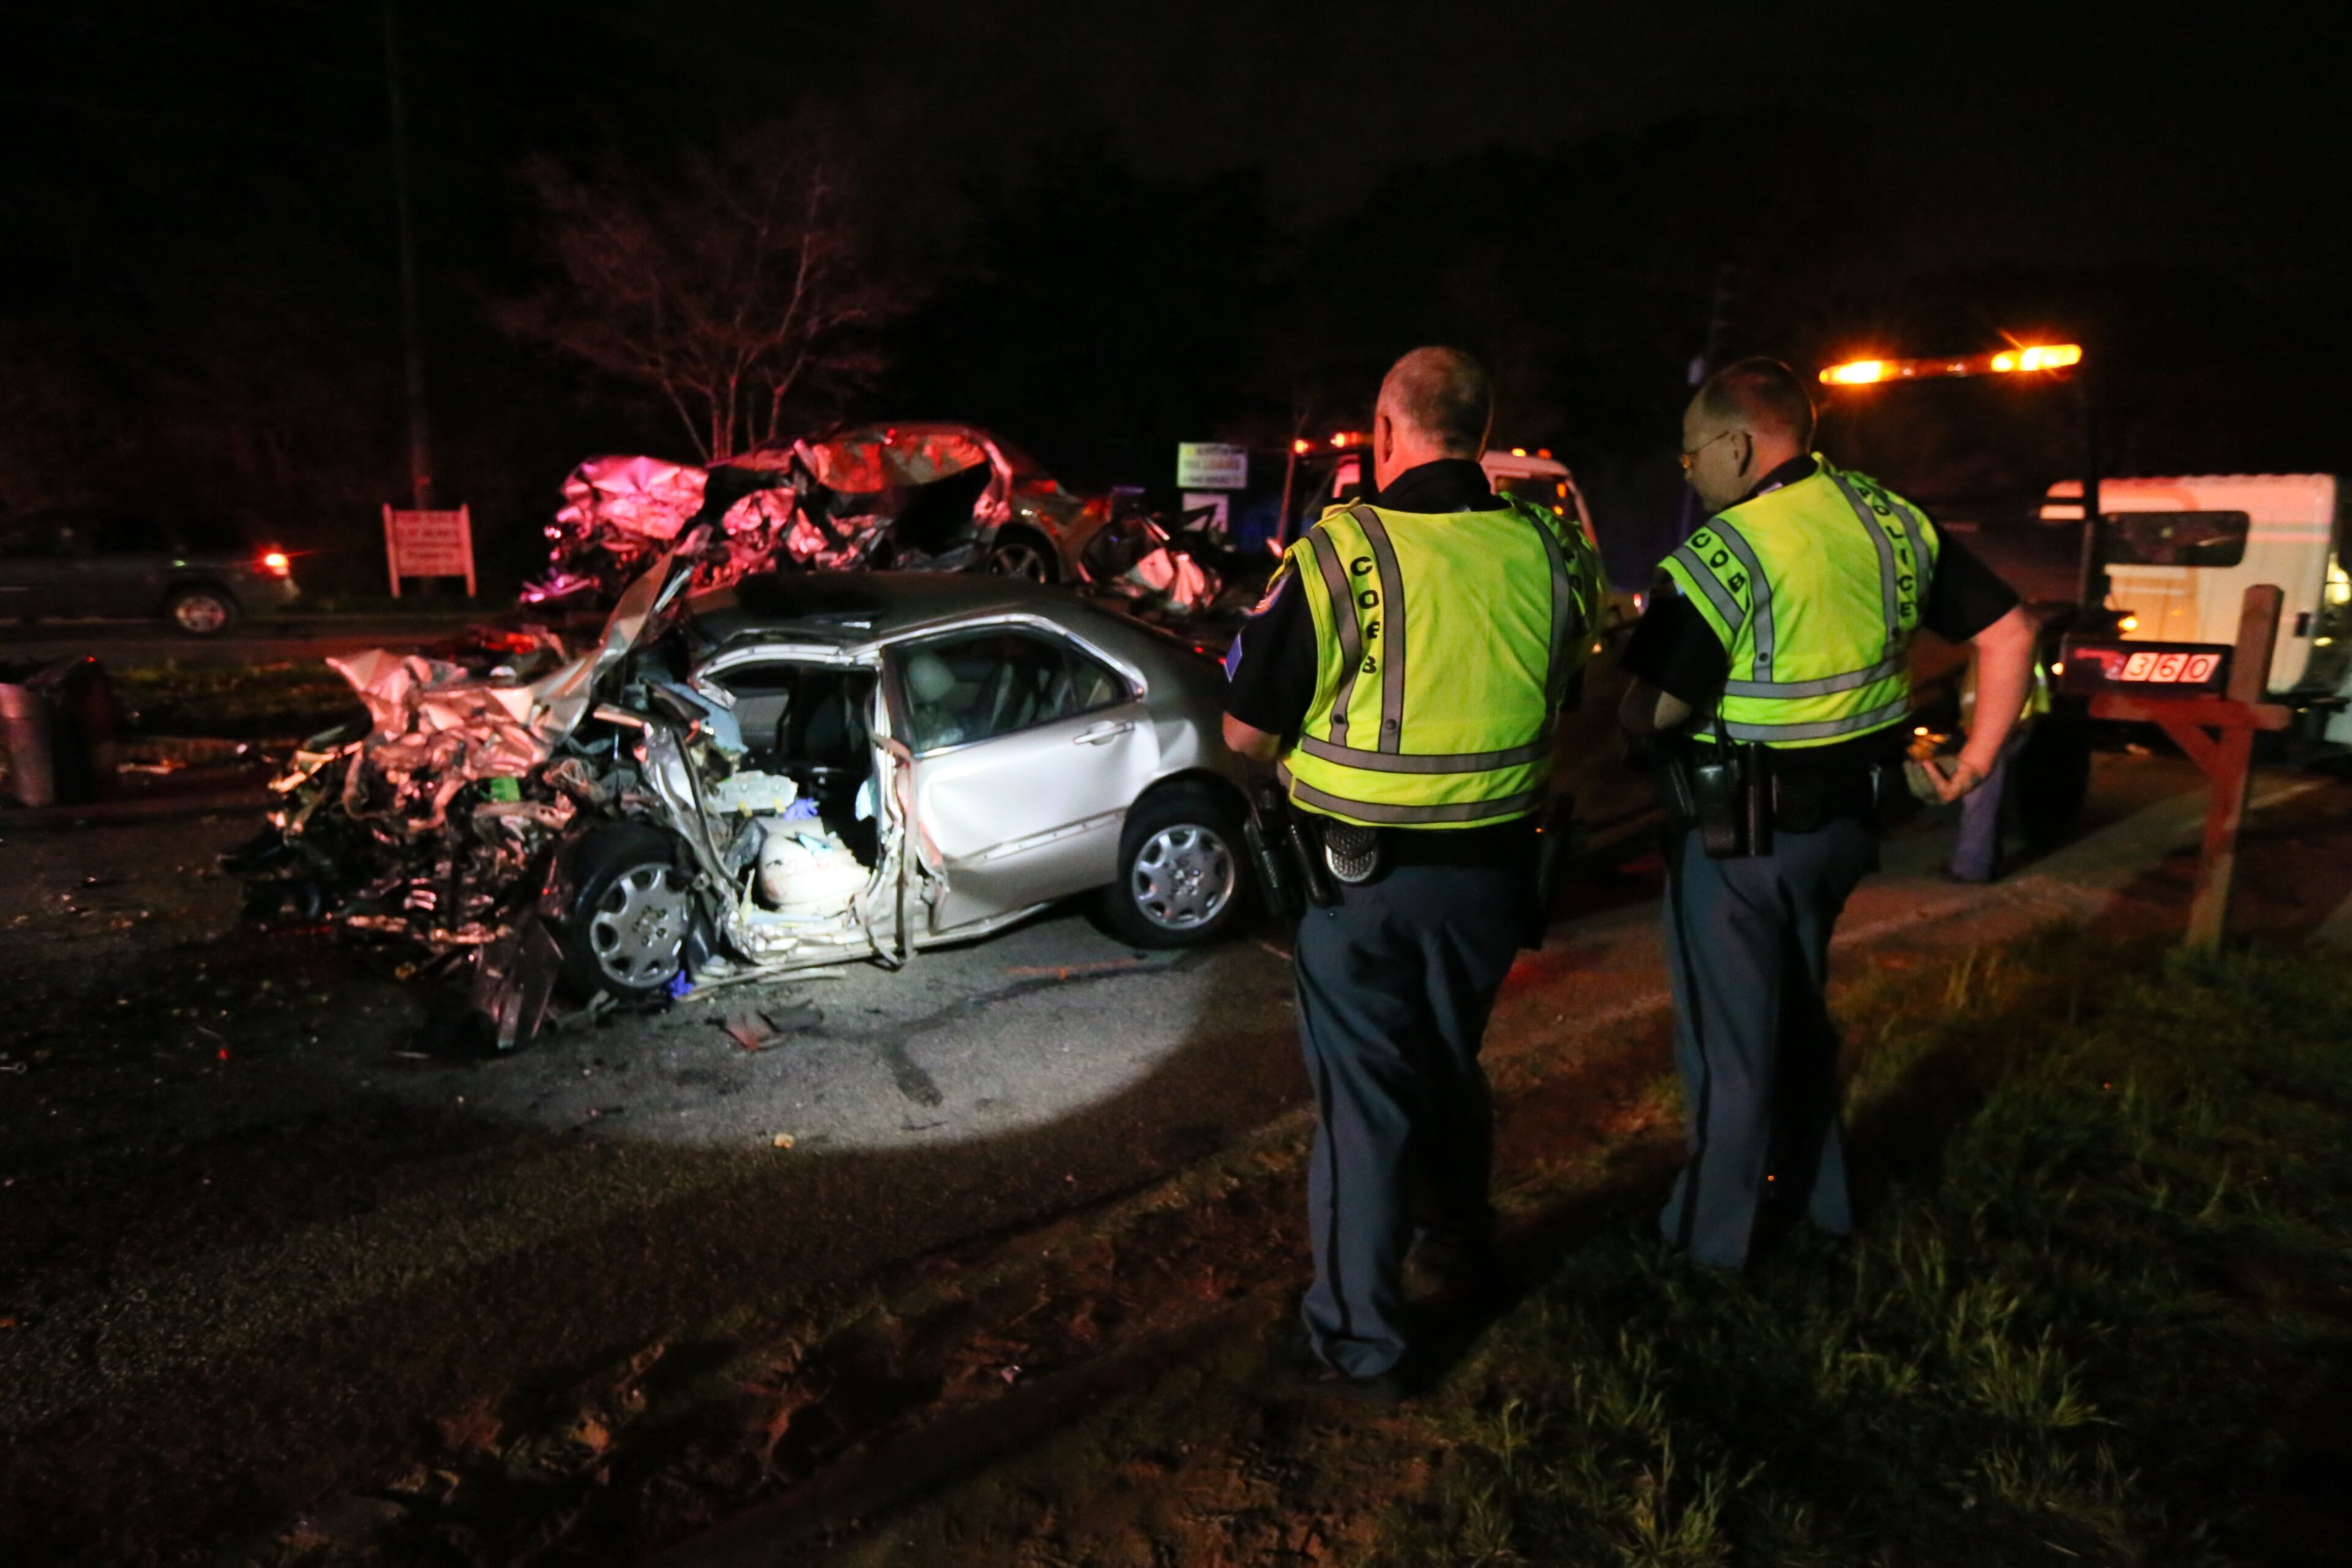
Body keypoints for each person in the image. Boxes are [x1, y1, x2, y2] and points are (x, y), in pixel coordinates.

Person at [1223, 346, 1602, 1399]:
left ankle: (1360, 1342)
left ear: (1385, 434)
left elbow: (1246, 736)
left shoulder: (1339, 555)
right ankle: (1458, 1244)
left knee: (1367, 1108)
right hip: (1494, 879)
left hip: (1363, 886)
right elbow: (1561, 692)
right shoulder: (1555, 553)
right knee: (1447, 1068)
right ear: (1481, 434)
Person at [1621, 356, 2035, 1271]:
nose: (1688, 471)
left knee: (1731, 1051)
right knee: (1798, 1018)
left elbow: (1657, 707)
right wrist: (1972, 763)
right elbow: (2010, 632)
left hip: (1738, 843)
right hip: (1847, 832)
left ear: (1735, 443)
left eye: (1691, 454)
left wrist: (1625, 707)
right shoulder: (1895, 522)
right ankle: (1825, 1202)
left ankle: (1710, 1248)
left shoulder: (1722, 553)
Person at [1947, 627, 2052, 882]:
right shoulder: (2021, 646)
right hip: (2008, 728)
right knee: (1990, 798)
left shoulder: (1999, 648)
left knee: (1979, 799)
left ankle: (1972, 869)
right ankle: (1983, 862)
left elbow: (1983, 691)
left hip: (1996, 732)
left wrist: (1978, 731)